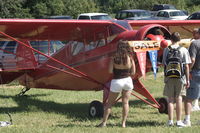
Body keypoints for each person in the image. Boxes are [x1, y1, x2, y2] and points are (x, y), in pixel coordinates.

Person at [98, 40, 136, 128]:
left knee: (109, 104)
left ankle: (103, 123)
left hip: (117, 81)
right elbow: (133, 72)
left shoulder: (114, 58)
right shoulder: (130, 58)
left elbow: (110, 71)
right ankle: (123, 124)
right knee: (125, 103)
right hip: (127, 81)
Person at [162, 32, 191, 127]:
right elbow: (186, 66)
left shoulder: (166, 49)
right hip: (180, 77)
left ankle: (170, 121)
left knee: (170, 100)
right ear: (179, 40)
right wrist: (187, 80)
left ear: (171, 39)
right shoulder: (183, 50)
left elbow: (164, 64)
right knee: (179, 98)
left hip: (169, 77)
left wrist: (165, 76)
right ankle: (178, 121)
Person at [184, 28, 200, 126]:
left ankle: (187, 120)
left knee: (188, 98)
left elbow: (192, 59)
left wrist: (188, 70)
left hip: (196, 72)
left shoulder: (194, 44)